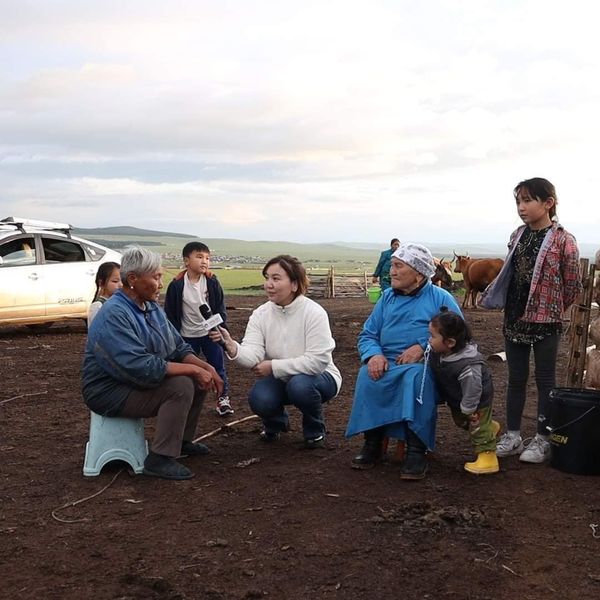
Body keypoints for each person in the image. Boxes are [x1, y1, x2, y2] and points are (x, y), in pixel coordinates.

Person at [82, 246, 224, 481]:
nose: (160, 284)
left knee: (197, 378)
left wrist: (206, 367)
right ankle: (160, 458)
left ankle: (180, 441)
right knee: (181, 385)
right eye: (156, 277)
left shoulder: (150, 308)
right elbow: (141, 367)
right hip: (109, 390)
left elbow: (178, 347)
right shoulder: (114, 313)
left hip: (131, 381)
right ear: (133, 279)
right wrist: (193, 369)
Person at [481, 177, 581, 463]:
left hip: (546, 322)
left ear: (548, 203)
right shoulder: (518, 235)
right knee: (516, 378)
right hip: (515, 317)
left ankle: (542, 439)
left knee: (545, 379)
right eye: (518, 202)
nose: (521, 207)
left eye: (527, 200)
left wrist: (551, 308)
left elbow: (572, 284)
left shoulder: (564, 240)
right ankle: (512, 436)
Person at [346, 242, 462, 480]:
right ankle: (372, 442)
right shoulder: (387, 298)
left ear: (418, 273)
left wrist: (423, 346)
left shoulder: (441, 298)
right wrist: (374, 355)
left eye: (399, 266)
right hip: (386, 360)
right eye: (392, 266)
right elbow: (368, 334)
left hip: (425, 365)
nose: (392, 272)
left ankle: (416, 449)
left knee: (416, 377)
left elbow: (457, 335)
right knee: (368, 374)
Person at [211, 255, 342, 448]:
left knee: (300, 386)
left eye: (276, 278)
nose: (268, 284)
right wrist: (232, 346)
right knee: (260, 398)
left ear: (294, 284)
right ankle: (276, 425)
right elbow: (253, 355)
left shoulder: (314, 313)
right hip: (283, 379)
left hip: (321, 377)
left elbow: (317, 362)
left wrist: (273, 366)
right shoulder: (261, 314)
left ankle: (314, 430)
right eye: (267, 278)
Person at [164, 241, 233, 417]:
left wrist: (220, 329)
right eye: (199, 257)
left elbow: (220, 308)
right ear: (186, 261)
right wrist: (174, 338)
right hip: (186, 336)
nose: (204, 261)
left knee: (217, 367)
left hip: (210, 334)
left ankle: (222, 400)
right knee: (187, 371)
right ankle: (187, 401)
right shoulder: (177, 285)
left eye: (207, 258)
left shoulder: (212, 281)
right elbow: (170, 314)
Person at [428, 308, 500, 475]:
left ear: (450, 342)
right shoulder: (441, 353)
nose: (429, 340)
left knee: (476, 426)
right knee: (461, 421)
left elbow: (473, 389)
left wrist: (469, 409)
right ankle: (489, 427)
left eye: (432, 336)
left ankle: (488, 458)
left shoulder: (467, 365)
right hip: (458, 398)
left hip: (476, 401)